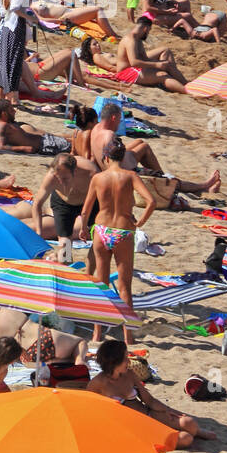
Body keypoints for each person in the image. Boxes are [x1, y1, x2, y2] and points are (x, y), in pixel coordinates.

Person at [80, 140, 155, 343]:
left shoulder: (98, 178)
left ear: (105, 157)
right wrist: (140, 221)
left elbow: (86, 210)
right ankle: (128, 337)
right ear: (122, 157)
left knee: (101, 284)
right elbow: (151, 201)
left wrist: (83, 229)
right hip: (123, 231)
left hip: (102, 231)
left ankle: (96, 334)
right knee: (124, 288)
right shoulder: (130, 176)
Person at [89, 340, 214, 447]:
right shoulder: (98, 383)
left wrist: (168, 410)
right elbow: (89, 410)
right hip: (134, 428)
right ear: (114, 362)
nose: (129, 361)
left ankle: (197, 431)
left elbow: (148, 400)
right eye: (125, 358)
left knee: (189, 423)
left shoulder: (129, 374)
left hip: (148, 414)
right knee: (186, 438)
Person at [29, 153, 96, 262]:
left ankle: (91, 270)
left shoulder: (90, 172)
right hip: (63, 203)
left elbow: (107, 194)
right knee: (65, 248)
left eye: (65, 178)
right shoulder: (51, 177)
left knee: (99, 238)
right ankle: (65, 261)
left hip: (88, 202)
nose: (60, 182)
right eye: (57, 177)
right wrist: (39, 232)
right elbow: (37, 204)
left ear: (75, 171)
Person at [116, 14, 189, 93]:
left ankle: (184, 83)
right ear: (145, 29)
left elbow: (144, 58)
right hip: (125, 73)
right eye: (149, 31)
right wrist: (156, 65)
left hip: (134, 67)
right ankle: (188, 92)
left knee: (166, 54)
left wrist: (162, 64)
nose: (148, 33)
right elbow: (134, 62)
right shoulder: (130, 40)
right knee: (162, 75)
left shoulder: (138, 38)